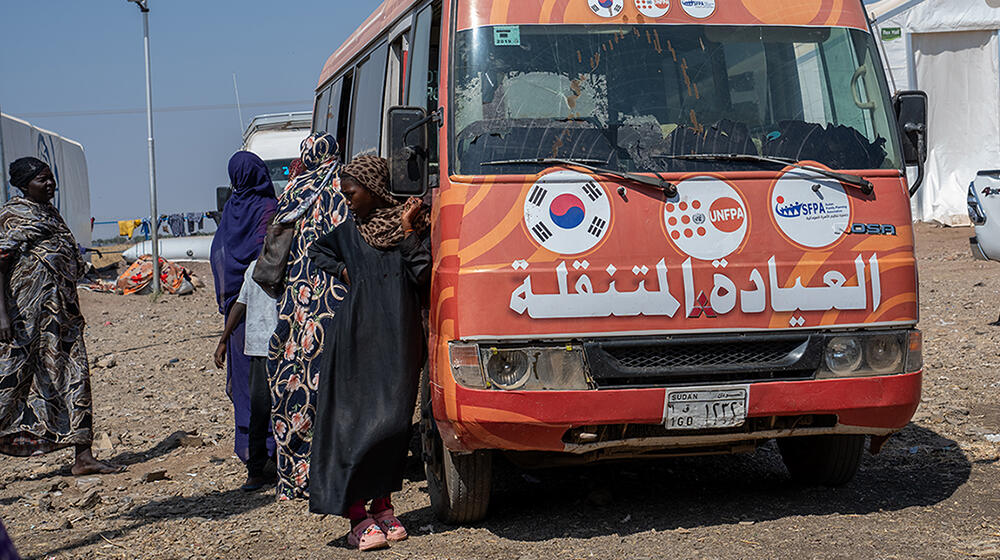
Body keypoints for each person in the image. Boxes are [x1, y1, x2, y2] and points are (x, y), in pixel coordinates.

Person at [307, 155, 431, 551]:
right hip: (355, 340)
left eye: (351, 193)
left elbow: (424, 274)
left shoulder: (408, 227)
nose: (347, 200)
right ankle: (358, 516)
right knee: (357, 425)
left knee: (393, 424)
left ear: (374, 190)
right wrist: (347, 274)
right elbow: (317, 252)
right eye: (344, 194)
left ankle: (383, 505)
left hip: (399, 339)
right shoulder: (347, 234)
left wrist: (410, 232)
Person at [0, 157, 119, 475]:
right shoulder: (12, 216)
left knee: (76, 375)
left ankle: (83, 456)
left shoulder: (50, 213)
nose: (51, 184)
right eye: (43, 180)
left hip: (62, 317)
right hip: (24, 320)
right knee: (9, 382)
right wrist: (2, 317)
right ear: (24, 185)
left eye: (52, 178)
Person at [267, 133, 348, 500]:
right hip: (334, 299)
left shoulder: (292, 192)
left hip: (295, 305)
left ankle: (298, 475)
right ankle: (338, 472)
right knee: (335, 381)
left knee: (296, 380)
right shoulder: (342, 187)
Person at [209, 151, 278, 480]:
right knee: (269, 383)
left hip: (236, 316)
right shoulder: (268, 209)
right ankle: (271, 452)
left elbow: (220, 255)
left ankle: (252, 454)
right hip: (267, 306)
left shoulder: (230, 212)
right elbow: (269, 257)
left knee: (247, 388)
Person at [214, 257, 278, 491]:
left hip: (268, 348)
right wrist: (223, 341)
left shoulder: (259, 266)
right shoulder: (258, 268)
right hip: (272, 349)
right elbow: (241, 304)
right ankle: (258, 470)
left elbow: (240, 305)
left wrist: (223, 341)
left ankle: (259, 471)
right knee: (263, 411)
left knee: (261, 411)